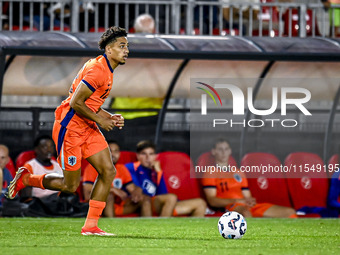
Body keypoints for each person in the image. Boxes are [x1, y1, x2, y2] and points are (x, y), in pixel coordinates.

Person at [6, 26, 128, 236]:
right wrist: (100, 120)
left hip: (87, 126)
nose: (127, 50)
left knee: (108, 171)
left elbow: (91, 103)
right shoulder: (98, 70)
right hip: (70, 128)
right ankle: (28, 179)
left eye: (127, 46)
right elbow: (75, 102)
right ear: (108, 49)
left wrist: (108, 117)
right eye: (122, 46)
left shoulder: (106, 68)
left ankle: (90, 226)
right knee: (70, 186)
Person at [200, 138, 297, 218]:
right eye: (220, 149)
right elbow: (212, 200)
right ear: (213, 151)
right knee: (245, 214)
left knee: (289, 212)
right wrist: (237, 201)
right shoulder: (210, 172)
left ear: (230, 151)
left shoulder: (238, 172)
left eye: (226, 149)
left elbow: (247, 196)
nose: (224, 152)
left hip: (247, 206)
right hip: (230, 206)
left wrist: (250, 200)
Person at [125, 140, 207, 217]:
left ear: (155, 156)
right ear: (138, 156)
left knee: (200, 203)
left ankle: (190, 232)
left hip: (161, 205)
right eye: (144, 154)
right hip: (144, 203)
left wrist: (159, 173)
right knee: (171, 197)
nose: (148, 157)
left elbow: (163, 193)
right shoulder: (131, 167)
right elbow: (137, 191)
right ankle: (162, 229)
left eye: (151, 154)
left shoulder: (155, 170)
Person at [83, 140, 152, 217]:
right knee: (109, 196)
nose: (112, 154)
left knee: (145, 198)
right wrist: (112, 189)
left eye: (116, 151)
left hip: (119, 206)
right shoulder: (92, 168)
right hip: (99, 207)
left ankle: (149, 228)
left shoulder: (121, 168)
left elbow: (132, 189)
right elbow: (87, 195)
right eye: (109, 150)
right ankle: (110, 226)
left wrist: (138, 190)